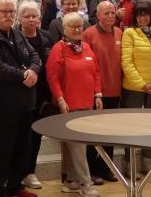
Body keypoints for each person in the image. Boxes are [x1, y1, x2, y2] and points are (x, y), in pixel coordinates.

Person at [0, 0, 41, 197]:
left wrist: (33, 70)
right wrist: (24, 75)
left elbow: (35, 57)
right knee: (2, 153)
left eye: (11, 12)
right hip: (1, 106)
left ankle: (16, 187)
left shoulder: (17, 34)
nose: (8, 15)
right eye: (3, 11)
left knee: (22, 150)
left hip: (24, 104)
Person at [46, 12, 103, 197]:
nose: (78, 29)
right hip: (69, 106)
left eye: (80, 26)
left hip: (87, 105)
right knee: (78, 147)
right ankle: (86, 184)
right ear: (65, 29)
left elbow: (95, 72)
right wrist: (60, 99)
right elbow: (52, 78)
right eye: (73, 26)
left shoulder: (86, 47)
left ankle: (71, 181)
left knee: (77, 145)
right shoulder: (58, 49)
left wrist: (98, 94)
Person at [121, 2, 151, 176]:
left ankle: (147, 163)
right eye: (139, 14)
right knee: (131, 126)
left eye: (146, 14)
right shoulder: (129, 33)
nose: (143, 18)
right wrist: (142, 84)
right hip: (134, 88)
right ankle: (129, 164)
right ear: (135, 17)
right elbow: (126, 63)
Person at [83, 1, 122, 183]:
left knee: (111, 133)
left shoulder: (120, 33)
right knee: (94, 134)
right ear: (97, 15)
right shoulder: (88, 34)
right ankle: (92, 171)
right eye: (106, 13)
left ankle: (107, 169)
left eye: (112, 13)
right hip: (96, 93)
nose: (110, 16)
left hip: (115, 91)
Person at [16, 1, 52, 190]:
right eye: (27, 16)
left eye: (34, 16)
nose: (31, 19)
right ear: (20, 18)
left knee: (35, 136)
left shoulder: (46, 37)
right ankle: (17, 174)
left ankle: (30, 172)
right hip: (19, 95)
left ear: (39, 18)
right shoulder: (12, 37)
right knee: (20, 136)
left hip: (41, 96)